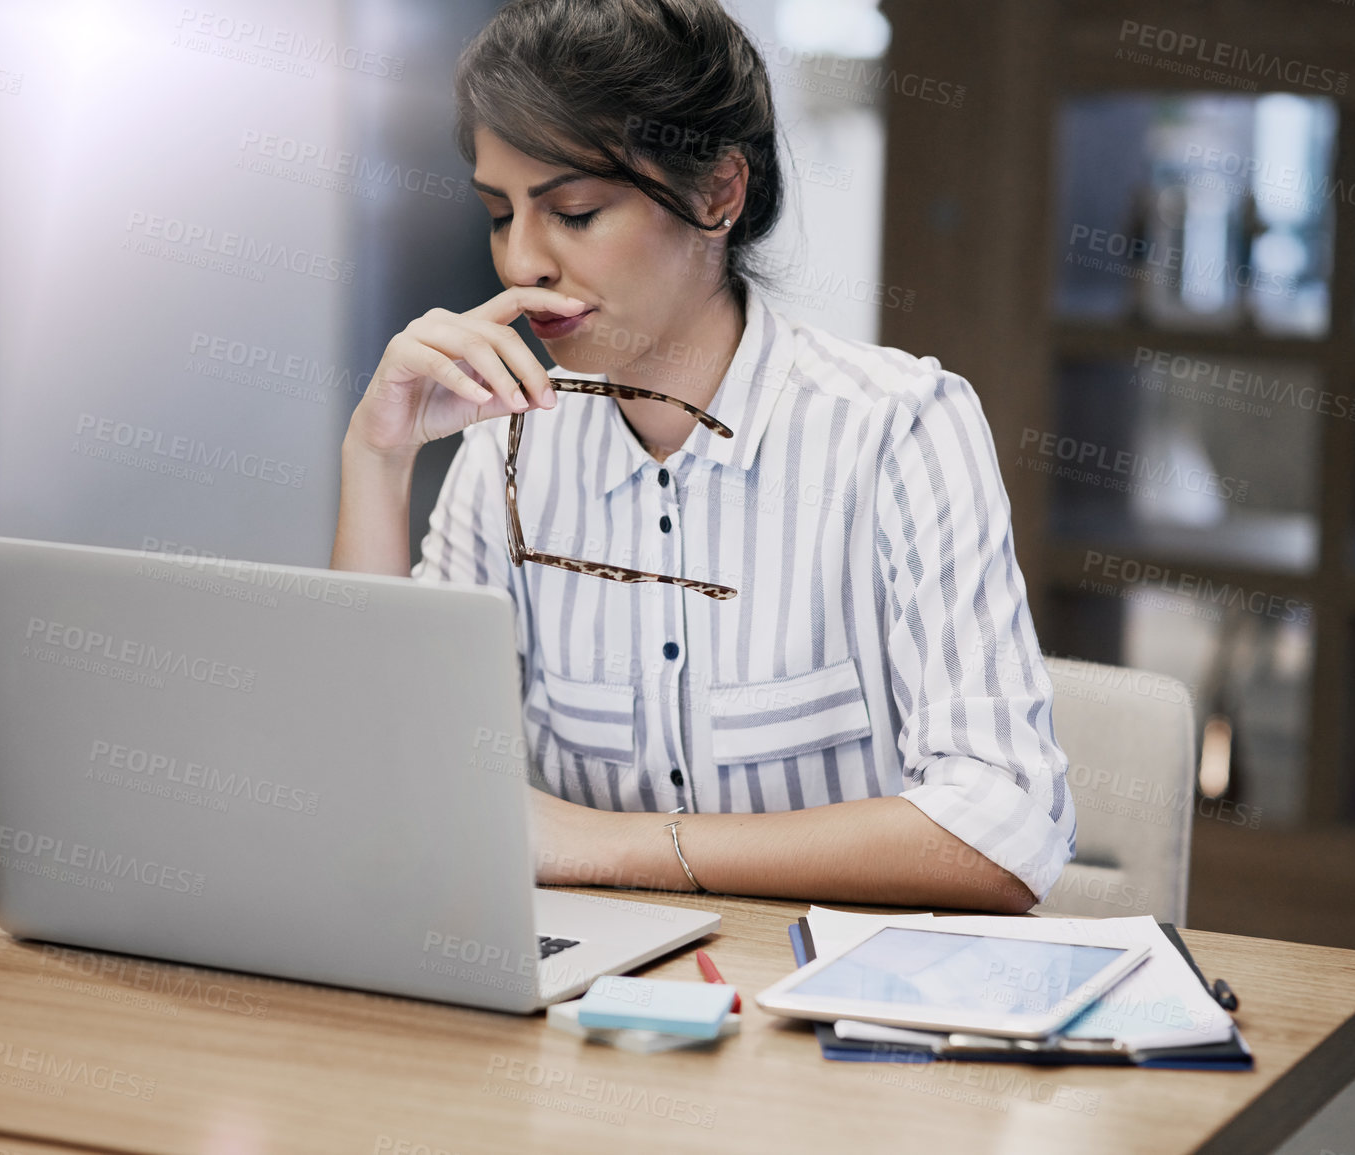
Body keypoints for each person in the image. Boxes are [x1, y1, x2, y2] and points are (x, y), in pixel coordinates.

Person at [331, 0, 1073, 913]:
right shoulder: (507, 445)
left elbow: (1004, 827)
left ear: (719, 193)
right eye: (498, 213)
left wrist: (601, 846)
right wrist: (378, 456)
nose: (521, 260)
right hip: (584, 1010)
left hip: (826, 1013)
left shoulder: (897, 427)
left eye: (573, 210)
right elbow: (385, 794)